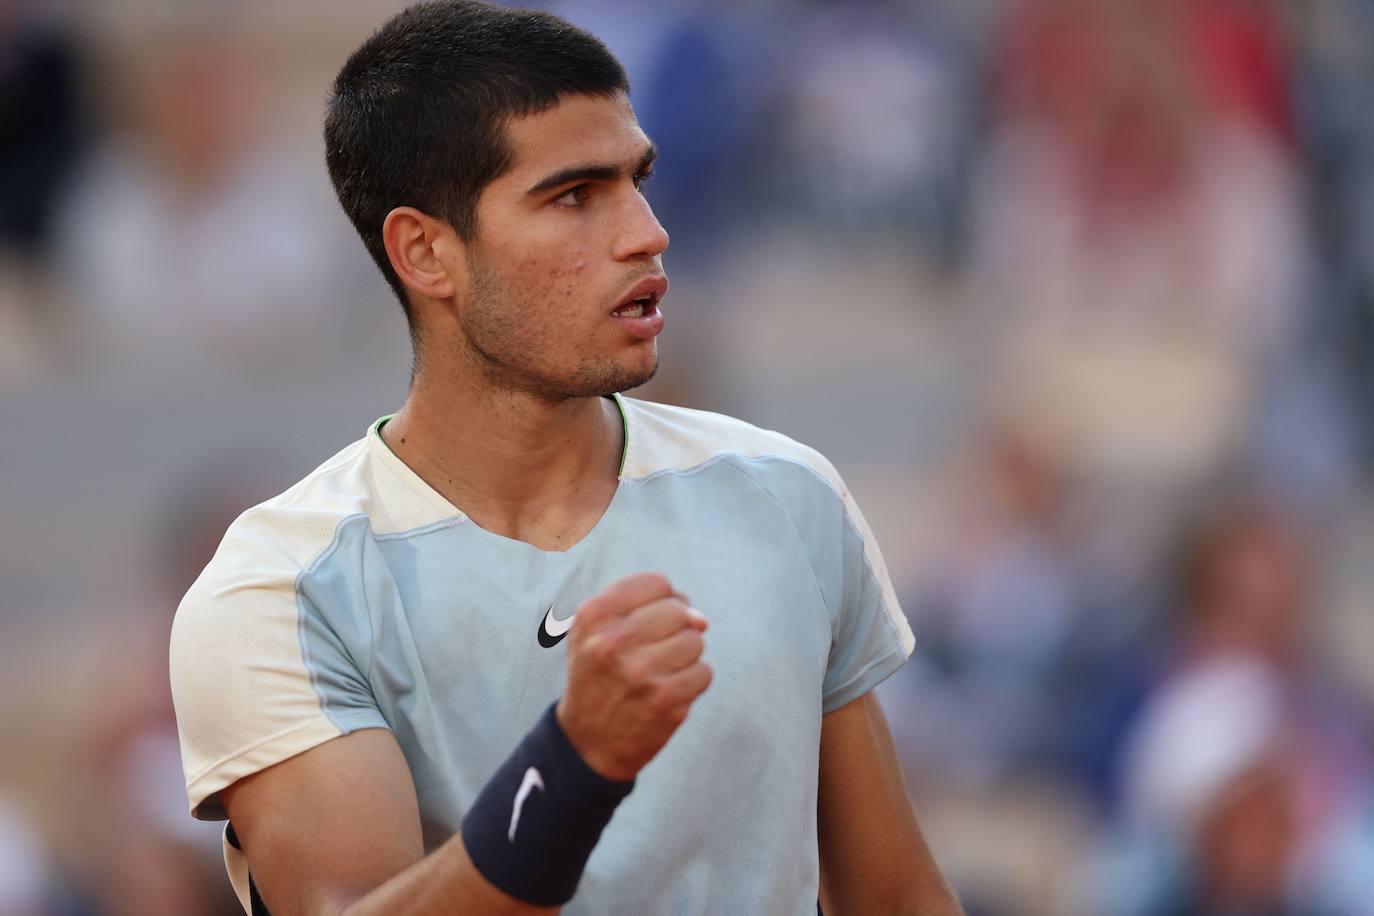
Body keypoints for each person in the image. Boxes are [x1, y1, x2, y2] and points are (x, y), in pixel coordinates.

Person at [168, 3, 964, 914]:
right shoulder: (280, 590)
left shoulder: (786, 494)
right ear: (425, 252)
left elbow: (896, 899)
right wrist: (573, 767)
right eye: (576, 195)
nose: (647, 233)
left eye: (639, 181)